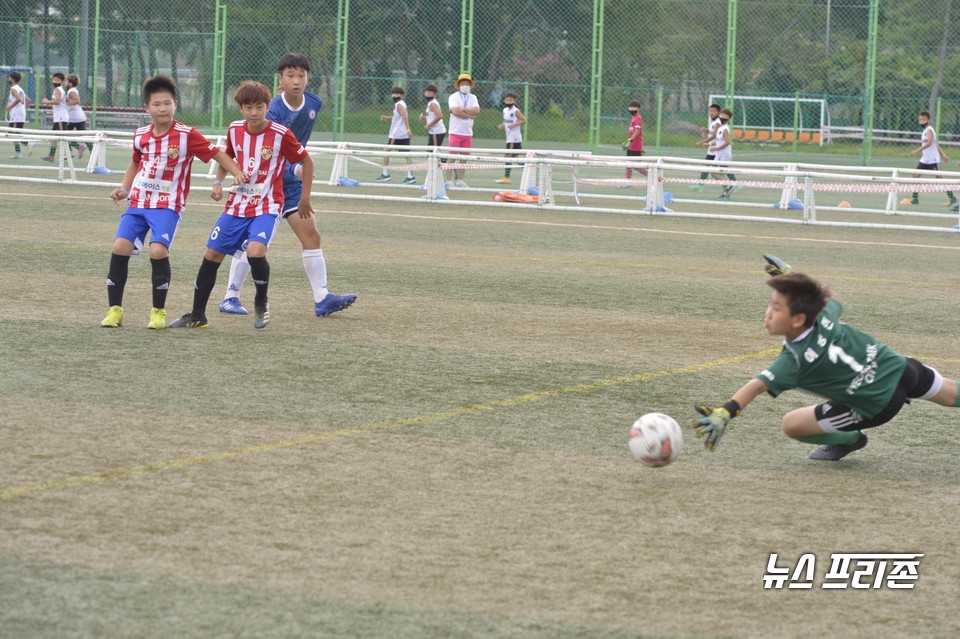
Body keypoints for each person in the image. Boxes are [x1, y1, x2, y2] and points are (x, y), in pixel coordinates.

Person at [693, 254, 960, 462]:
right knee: (950, 393)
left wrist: (725, 411)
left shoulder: (793, 361)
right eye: (770, 305)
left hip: (878, 403)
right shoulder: (822, 314)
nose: (768, 313)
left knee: (792, 425)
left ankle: (851, 439)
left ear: (798, 319)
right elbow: (832, 297)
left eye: (776, 308)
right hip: (899, 367)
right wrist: (795, 277)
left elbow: (758, 385)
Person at [99, 75, 246, 330]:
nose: (162, 108)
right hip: (138, 203)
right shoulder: (141, 135)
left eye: (167, 103)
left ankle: (158, 312)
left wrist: (235, 173)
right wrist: (124, 189)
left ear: (175, 104)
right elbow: (136, 163)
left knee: (157, 250)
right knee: (120, 247)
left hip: (167, 206)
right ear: (146, 108)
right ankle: (115, 311)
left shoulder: (186, 135)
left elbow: (217, 153)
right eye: (156, 104)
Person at [218, 52, 357, 318]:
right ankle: (230, 296)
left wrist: (299, 173)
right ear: (280, 80)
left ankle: (322, 299)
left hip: (291, 186)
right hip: (264, 186)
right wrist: (296, 167)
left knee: (311, 235)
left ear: (308, 78)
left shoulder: (314, 103)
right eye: (290, 75)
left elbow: (297, 148)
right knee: (251, 244)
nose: (296, 81)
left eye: (301, 75)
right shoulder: (273, 111)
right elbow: (267, 151)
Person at [170, 81, 312, 330]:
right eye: (248, 107)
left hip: (267, 205)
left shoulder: (280, 134)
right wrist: (217, 182)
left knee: (255, 251)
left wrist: (305, 198)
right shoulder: (235, 129)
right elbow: (226, 157)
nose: (254, 112)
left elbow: (306, 162)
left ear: (268, 106)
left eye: (259, 106)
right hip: (236, 205)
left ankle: (261, 301)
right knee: (212, 254)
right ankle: (197, 314)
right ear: (241, 109)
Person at [908, 110, 955, 210]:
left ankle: (952, 198)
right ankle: (915, 198)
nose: (921, 121)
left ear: (928, 120)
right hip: (924, 160)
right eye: (920, 119)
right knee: (915, 175)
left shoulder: (929, 130)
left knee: (940, 178)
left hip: (933, 160)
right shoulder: (925, 131)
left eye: (923, 119)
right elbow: (935, 144)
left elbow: (929, 143)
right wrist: (943, 154)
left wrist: (916, 151)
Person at [375, 86, 416, 185]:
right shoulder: (402, 104)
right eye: (393, 94)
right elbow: (399, 117)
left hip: (396, 134)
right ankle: (411, 176)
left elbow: (404, 116)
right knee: (407, 155)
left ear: (402, 95)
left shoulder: (398, 104)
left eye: (397, 94)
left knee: (386, 152)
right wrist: (388, 117)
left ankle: (385, 174)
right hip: (402, 134)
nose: (394, 95)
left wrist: (408, 129)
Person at [445, 72, 479, 187]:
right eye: (463, 83)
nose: (465, 86)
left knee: (464, 158)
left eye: (467, 84)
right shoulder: (453, 97)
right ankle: (448, 181)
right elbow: (455, 111)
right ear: (459, 85)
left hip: (467, 133)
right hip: (455, 132)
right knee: (452, 157)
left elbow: (477, 110)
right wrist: (469, 115)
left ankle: (460, 180)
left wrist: (463, 109)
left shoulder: (473, 97)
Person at [496, 92, 526, 184]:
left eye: (511, 100)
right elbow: (507, 121)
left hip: (514, 138)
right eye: (507, 100)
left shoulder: (516, 111)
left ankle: (506, 178)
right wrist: (503, 125)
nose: (508, 102)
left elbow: (524, 120)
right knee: (514, 157)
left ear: (514, 101)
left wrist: (514, 125)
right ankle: (529, 165)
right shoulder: (505, 110)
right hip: (509, 136)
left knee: (508, 156)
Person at [691, 103, 722, 191]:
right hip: (712, 149)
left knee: (721, 169)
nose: (711, 113)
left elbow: (714, 136)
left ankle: (733, 183)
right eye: (710, 111)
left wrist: (701, 143)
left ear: (718, 112)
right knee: (707, 165)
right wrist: (706, 130)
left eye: (714, 111)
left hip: (716, 149)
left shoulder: (718, 122)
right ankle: (700, 184)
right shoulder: (714, 122)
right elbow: (712, 132)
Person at [709, 108, 736, 199]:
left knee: (714, 171)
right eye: (722, 115)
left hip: (724, 154)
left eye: (726, 116)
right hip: (719, 153)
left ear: (728, 118)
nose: (723, 117)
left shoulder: (725, 129)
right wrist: (709, 144)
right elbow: (718, 141)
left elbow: (727, 142)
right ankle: (726, 192)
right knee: (720, 174)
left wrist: (717, 148)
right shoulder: (720, 127)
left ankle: (729, 186)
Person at [41, 72, 68, 162]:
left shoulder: (58, 89)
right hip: (58, 117)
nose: (55, 81)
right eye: (54, 80)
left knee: (62, 136)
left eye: (58, 80)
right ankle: (51, 155)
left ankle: (71, 151)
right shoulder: (58, 89)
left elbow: (57, 101)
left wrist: (46, 101)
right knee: (53, 136)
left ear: (62, 81)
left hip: (61, 117)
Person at [65, 73, 93, 158]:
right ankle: (76, 150)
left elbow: (77, 101)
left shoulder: (71, 91)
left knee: (65, 135)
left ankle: (92, 153)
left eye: (66, 81)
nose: (65, 82)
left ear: (70, 83)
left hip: (75, 118)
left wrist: (67, 103)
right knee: (67, 135)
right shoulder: (72, 90)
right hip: (76, 117)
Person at [5, 71, 29, 159]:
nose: (8, 79)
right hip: (19, 113)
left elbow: (19, 99)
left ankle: (28, 143)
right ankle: (18, 152)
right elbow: (28, 100)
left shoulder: (13, 89)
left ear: (12, 79)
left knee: (13, 133)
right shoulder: (19, 88)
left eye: (9, 77)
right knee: (13, 133)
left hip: (17, 114)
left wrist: (10, 106)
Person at [621, 100, 645, 183]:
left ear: (638, 109)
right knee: (628, 164)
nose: (631, 109)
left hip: (635, 147)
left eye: (634, 107)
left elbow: (638, 131)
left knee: (636, 166)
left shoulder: (638, 118)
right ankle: (628, 182)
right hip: (631, 146)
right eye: (630, 107)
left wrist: (630, 141)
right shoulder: (633, 118)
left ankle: (654, 176)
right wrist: (629, 142)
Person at [419, 83, 446, 149]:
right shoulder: (430, 103)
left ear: (434, 94)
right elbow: (433, 116)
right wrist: (425, 118)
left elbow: (439, 116)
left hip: (437, 131)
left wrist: (429, 125)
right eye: (426, 92)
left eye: (430, 92)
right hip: (433, 131)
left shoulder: (433, 103)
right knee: (432, 152)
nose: (427, 94)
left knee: (433, 152)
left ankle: (443, 159)